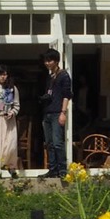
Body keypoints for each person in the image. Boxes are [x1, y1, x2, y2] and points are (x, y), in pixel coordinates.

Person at [40, 49, 72, 178]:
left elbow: (66, 95)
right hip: (47, 112)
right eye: (46, 61)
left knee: (58, 142)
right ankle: (52, 169)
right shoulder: (50, 77)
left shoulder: (63, 75)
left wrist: (63, 112)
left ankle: (62, 169)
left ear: (57, 61)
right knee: (49, 143)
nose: (47, 63)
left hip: (57, 112)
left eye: (50, 60)